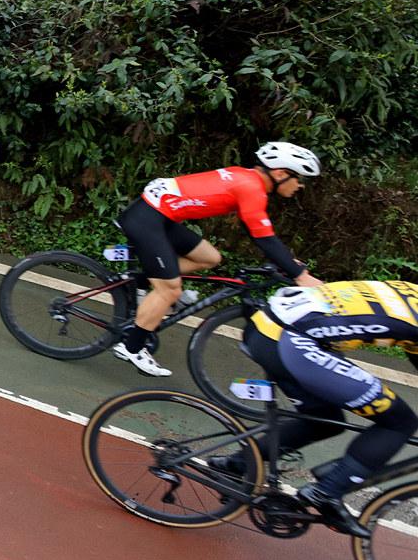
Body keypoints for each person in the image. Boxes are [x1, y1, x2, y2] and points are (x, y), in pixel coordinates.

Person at [112, 142, 326, 377]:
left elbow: (261, 235)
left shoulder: (247, 178)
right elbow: (264, 239)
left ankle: (142, 280)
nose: (301, 185)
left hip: (159, 213)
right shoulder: (251, 188)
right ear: (280, 173)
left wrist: (288, 263)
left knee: (209, 257)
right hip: (148, 218)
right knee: (170, 290)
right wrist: (300, 276)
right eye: (299, 178)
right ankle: (131, 347)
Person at [241, 282, 418, 537]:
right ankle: (327, 491)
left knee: (324, 420)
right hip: (292, 340)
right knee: (399, 422)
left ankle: (236, 464)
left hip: (269, 327)